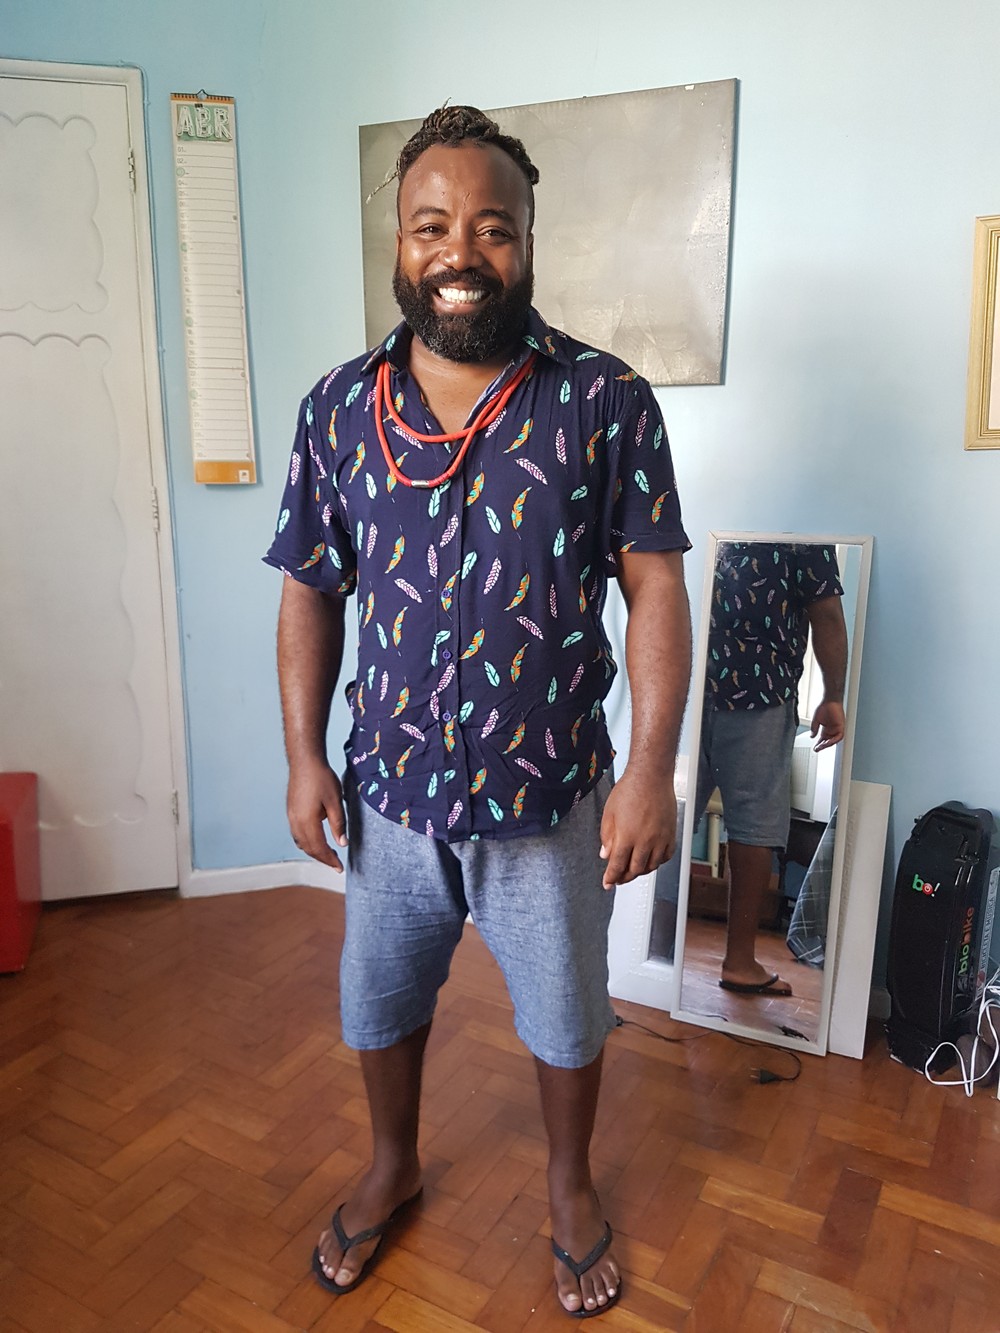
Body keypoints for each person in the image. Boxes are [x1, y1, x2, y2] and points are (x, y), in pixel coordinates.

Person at [264, 105, 690, 1319]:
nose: (461, 252)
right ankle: (392, 1164)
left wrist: (648, 772)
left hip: (546, 795)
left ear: (529, 241)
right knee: (378, 1002)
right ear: (399, 243)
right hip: (391, 795)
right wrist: (303, 758)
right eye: (432, 225)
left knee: (566, 1015)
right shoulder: (337, 409)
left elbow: (656, 588)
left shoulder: (605, 401)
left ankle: (568, 1185)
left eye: (492, 228)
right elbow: (309, 590)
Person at [694, 541, 848, 996]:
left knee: (717, 818)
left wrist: (832, 695)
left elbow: (827, 615)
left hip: (710, 681)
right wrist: (833, 696)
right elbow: (827, 614)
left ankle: (731, 961)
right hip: (742, 685)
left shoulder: (782, 527)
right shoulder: (805, 531)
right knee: (751, 825)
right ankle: (738, 962)